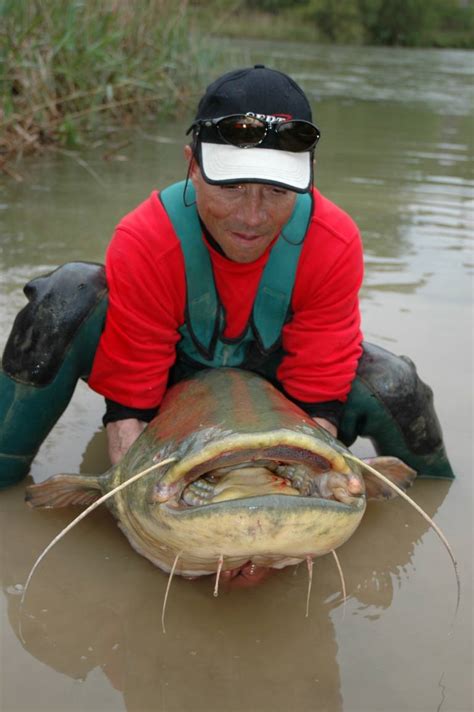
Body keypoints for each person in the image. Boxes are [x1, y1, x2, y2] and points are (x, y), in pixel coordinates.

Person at [87, 65, 364, 466]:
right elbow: (130, 406)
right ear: (193, 166)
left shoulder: (334, 243)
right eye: (231, 187)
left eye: (277, 190)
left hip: (276, 379)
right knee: (66, 298)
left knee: (390, 385)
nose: (252, 217)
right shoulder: (145, 240)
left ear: (308, 176)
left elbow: (317, 400)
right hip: (172, 375)